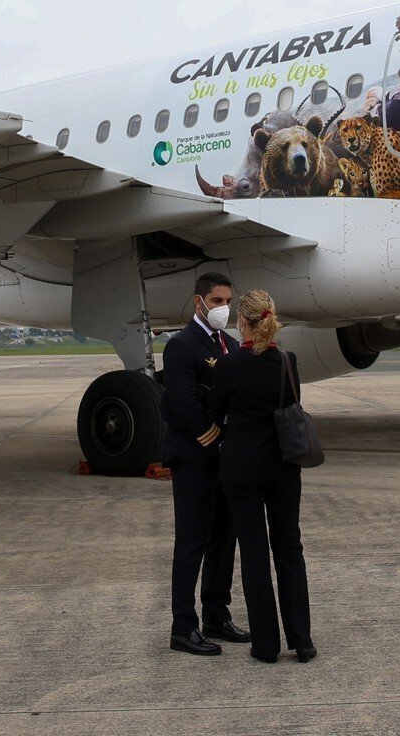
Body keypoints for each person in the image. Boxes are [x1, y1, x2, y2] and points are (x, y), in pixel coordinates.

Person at [205, 290, 315, 663]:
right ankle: (302, 640)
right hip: (283, 467)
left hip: (241, 470)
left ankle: (266, 645)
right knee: (290, 549)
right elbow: (292, 404)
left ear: (243, 322)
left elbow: (215, 412)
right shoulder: (287, 361)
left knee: (254, 553)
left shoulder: (228, 365)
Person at [160, 272, 248, 655]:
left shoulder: (229, 344)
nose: (223, 308)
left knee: (224, 539)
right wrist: (214, 435)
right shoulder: (181, 346)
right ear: (199, 302)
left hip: (225, 460)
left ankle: (216, 613)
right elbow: (183, 402)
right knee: (192, 541)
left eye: (227, 301)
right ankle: (183, 626)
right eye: (216, 301)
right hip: (194, 457)